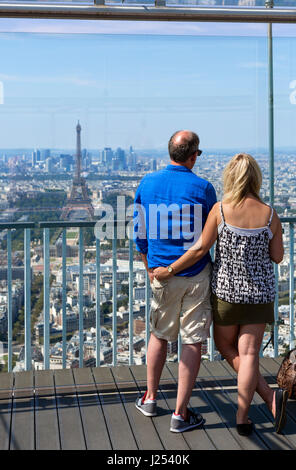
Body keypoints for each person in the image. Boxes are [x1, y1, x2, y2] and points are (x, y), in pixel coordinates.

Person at [153, 152, 288, 436]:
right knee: (249, 353)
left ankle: (266, 399)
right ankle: (244, 417)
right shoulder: (270, 213)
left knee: (227, 348)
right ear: (256, 178)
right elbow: (277, 257)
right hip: (260, 293)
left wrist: (171, 269)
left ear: (231, 177)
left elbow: (201, 249)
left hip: (226, 291)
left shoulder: (221, 210)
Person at [133, 130, 217, 432]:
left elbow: (139, 234)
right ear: (193, 156)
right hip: (195, 273)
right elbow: (209, 237)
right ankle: (180, 414)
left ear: (170, 152)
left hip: (160, 273)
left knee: (158, 335)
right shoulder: (203, 188)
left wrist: (150, 267)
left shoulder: (148, 182)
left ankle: (151, 397)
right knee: (192, 340)